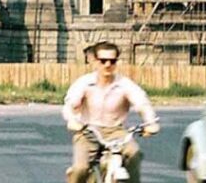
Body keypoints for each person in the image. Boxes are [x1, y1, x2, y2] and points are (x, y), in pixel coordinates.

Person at [63, 41, 160, 183]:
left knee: (134, 153)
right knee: (80, 169)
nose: (107, 65)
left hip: (116, 132)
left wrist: (150, 123)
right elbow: (70, 105)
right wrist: (72, 121)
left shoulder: (124, 84)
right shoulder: (85, 83)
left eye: (112, 61)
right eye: (103, 61)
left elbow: (142, 103)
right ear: (95, 62)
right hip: (88, 131)